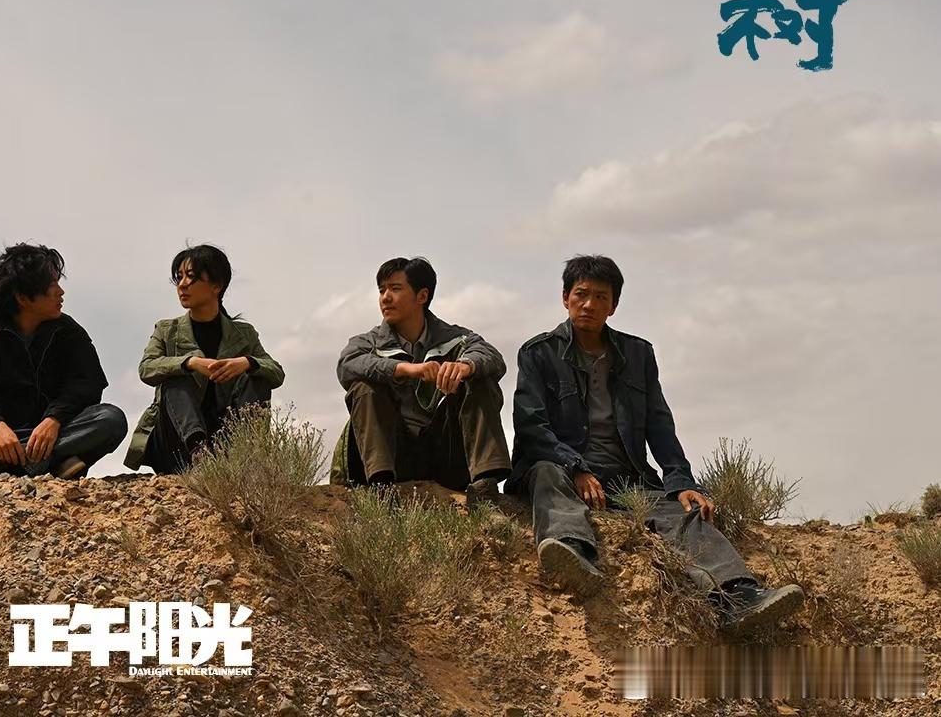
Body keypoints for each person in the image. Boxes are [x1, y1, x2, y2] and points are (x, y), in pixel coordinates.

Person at [508, 255, 803, 634]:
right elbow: (530, 426)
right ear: (565, 297)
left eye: (601, 297)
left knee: (684, 514)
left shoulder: (638, 354)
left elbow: (659, 424)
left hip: (626, 478)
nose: (589, 304)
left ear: (614, 305)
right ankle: (572, 553)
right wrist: (575, 467)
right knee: (547, 472)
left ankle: (738, 596)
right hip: (564, 472)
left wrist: (681, 482)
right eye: (581, 294)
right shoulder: (538, 353)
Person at [0, 243, 126, 479]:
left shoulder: (69, 332)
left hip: (58, 433)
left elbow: (88, 384)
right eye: (52, 285)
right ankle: (50, 464)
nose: (61, 292)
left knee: (111, 419)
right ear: (23, 297)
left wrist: (54, 420)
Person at [331, 257, 511, 497]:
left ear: (422, 296)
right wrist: (404, 369)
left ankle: (485, 485)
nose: (385, 298)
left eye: (395, 289)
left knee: (480, 380)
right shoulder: (369, 342)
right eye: (382, 290)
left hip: (443, 455)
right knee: (364, 386)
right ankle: (381, 490)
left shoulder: (454, 338)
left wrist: (465, 366)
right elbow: (347, 364)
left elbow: (491, 355)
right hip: (392, 458)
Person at [124, 244, 284, 473]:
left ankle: (247, 460)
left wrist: (246, 362)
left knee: (257, 375)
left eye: (191, 276)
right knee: (175, 378)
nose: (182, 284)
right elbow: (146, 368)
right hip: (175, 443)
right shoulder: (167, 330)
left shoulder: (243, 334)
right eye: (179, 277)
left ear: (216, 286)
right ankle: (200, 456)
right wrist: (190, 363)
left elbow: (276, 372)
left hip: (226, 442)